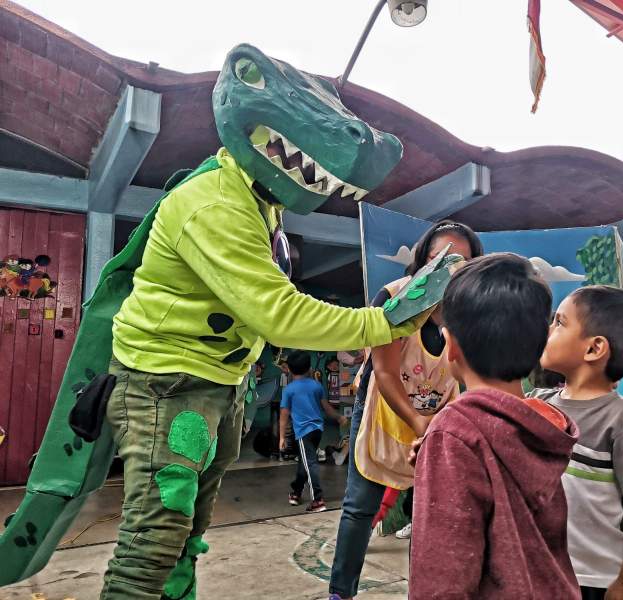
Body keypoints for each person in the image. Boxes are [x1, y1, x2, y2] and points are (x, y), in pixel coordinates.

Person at [97, 44, 423, 600]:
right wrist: (384, 322)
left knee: (186, 532)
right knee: (154, 539)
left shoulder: (258, 204)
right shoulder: (213, 204)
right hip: (167, 385)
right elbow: (279, 314)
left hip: (217, 387)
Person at [409, 253, 580, 598]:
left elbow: (442, 575)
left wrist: (445, 446)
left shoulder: (456, 430)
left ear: (450, 345)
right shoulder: (543, 422)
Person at [329, 220, 484, 600]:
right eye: (440, 258)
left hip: (437, 414)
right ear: (423, 261)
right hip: (382, 405)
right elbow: (383, 370)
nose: (450, 268)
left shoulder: (469, 313)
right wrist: (417, 421)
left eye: (461, 261)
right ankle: (340, 593)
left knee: (428, 514)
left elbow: (468, 377)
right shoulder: (394, 297)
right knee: (360, 505)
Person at [532, 285, 623, 600]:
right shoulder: (538, 402)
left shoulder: (622, 421)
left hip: (601, 580)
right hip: (549, 571)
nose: (548, 329)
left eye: (560, 322)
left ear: (594, 349)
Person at [280, 351, 347, 512]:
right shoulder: (316, 386)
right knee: (304, 462)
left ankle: (318, 500)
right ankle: (296, 492)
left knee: (309, 463)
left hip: (303, 432)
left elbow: (284, 414)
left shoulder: (289, 390)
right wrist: (338, 417)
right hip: (317, 431)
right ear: (309, 368)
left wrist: (282, 437)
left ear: (289, 369)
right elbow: (327, 407)